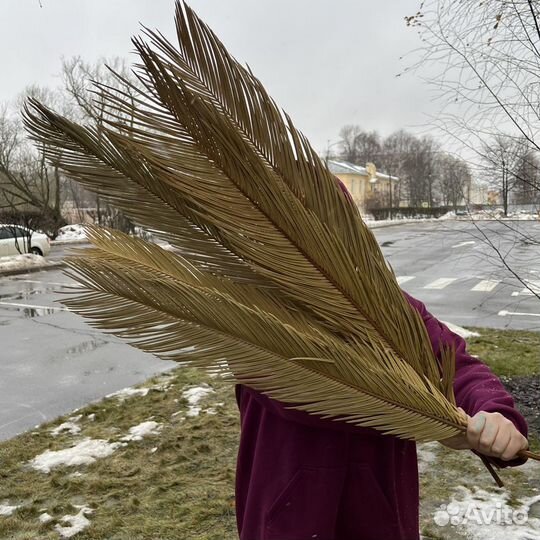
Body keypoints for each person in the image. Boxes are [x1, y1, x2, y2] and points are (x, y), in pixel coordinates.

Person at [234, 288, 529, 540]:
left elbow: (453, 364)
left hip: (379, 517)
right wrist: (422, 415)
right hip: (286, 520)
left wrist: (493, 413)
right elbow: (291, 391)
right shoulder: (248, 310)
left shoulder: (388, 305)